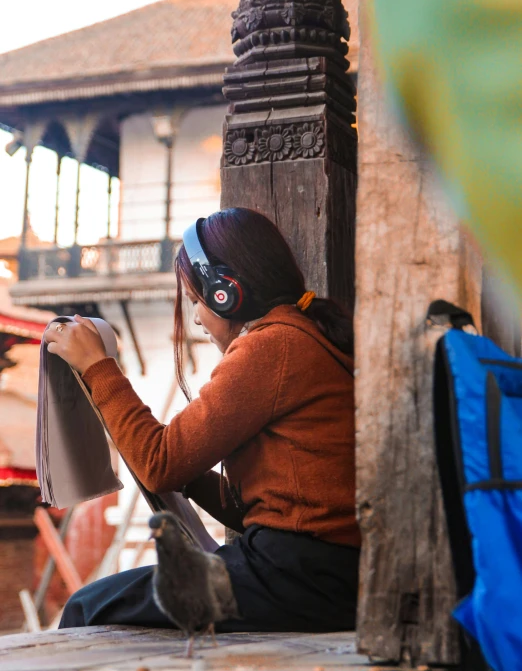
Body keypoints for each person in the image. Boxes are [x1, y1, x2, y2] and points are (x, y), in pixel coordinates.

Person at [44, 208, 360, 632]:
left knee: (88, 607)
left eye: (196, 300)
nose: (194, 317)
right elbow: (250, 510)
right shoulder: (300, 336)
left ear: (225, 293)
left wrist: (98, 367)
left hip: (298, 576)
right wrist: (189, 470)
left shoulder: (272, 346)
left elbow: (158, 464)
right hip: (318, 572)